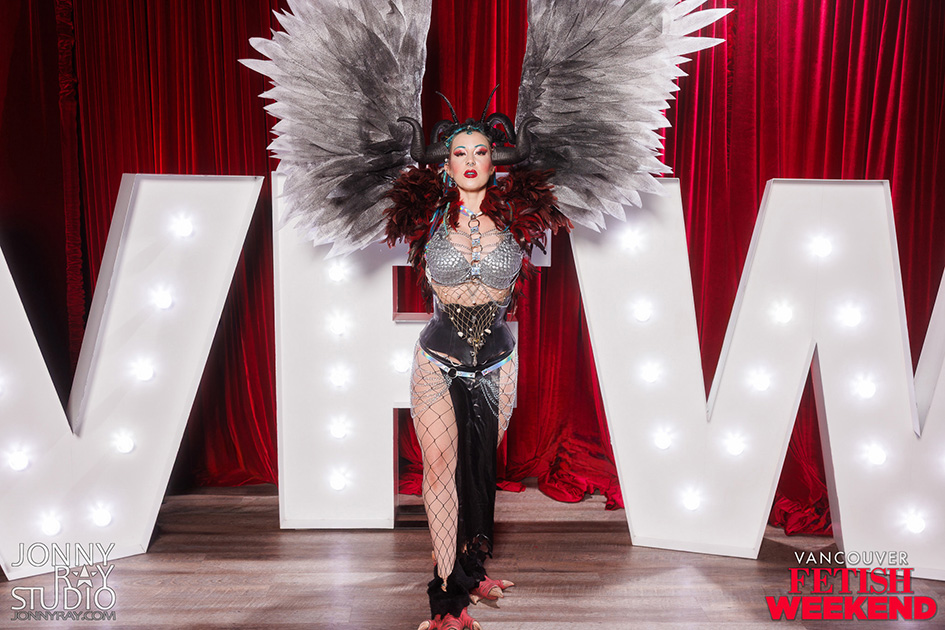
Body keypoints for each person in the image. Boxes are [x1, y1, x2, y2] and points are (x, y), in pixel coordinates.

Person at [386, 98, 570, 630]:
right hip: (437, 358)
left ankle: (470, 570)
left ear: (496, 159)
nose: (470, 160)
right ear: (444, 164)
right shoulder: (424, 215)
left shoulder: (520, 216)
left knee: (477, 469)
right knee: (440, 468)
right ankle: (447, 598)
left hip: (497, 361)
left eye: (481, 151)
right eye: (459, 152)